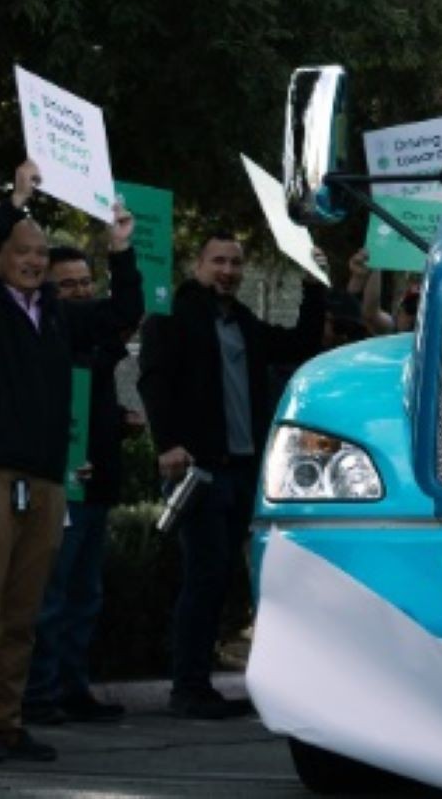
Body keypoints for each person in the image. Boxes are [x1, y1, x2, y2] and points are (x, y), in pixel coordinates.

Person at [0, 161, 140, 764]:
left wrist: (120, 248)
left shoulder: (55, 315)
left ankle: (5, 722)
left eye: (40, 252)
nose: (32, 260)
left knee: (23, 611)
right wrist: (14, 201)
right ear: (1, 255)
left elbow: (120, 312)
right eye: (21, 250)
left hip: (46, 481)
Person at [138, 234, 325, 718]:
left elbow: (299, 344)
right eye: (218, 260)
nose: (228, 270)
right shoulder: (171, 318)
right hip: (199, 471)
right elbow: (153, 380)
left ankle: (205, 682)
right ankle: (188, 687)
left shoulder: (242, 321)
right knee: (204, 575)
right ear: (196, 264)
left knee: (226, 580)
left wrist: (315, 285)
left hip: (244, 470)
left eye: (236, 262)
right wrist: (168, 444)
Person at [22, 245, 134, 726]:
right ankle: (38, 693)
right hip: (58, 484)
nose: (81, 292)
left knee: (84, 595)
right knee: (51, 593)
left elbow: (126, 315)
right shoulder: (41, 337)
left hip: (97, 484)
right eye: (68, 285)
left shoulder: (97, 342)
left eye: (87, 282)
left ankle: (72, 688)